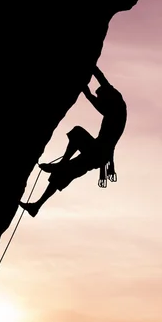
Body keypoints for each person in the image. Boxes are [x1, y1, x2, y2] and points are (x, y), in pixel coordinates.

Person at [19, 65, 127, 217]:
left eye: (101, 98)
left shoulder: (115, 108)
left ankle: (61, 163)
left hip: (98, 152)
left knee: (77, 132)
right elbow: (94, 88)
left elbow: (95, 88)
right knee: (64, 174)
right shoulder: (112, 104)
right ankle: (37, 205)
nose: (100, 100)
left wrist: (87, 72)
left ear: (106, 96)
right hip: (98, 155)